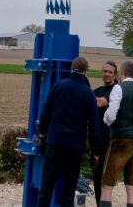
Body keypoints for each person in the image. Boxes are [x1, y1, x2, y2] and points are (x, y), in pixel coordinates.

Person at [36, 56, 100, 207]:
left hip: (54, 142)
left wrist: (42, 136)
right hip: (75, 147)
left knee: (46, 188)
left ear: (72, 69)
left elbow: (45, 113)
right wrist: (95, 151)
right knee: (68, 191)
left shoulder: (59, 86)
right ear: (85, 72)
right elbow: (94, 125)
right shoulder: (88, 93)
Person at [99, 60, 133, 207]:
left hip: (120, 140)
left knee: (107, 185)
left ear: (121, 72)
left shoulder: (118, 88)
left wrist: (105, 121)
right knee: (131, 186)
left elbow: (111, 114)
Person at [92, 61, 118, 204]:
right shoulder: (99, 90)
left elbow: (100, 102)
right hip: (98, 139)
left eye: (110, 72)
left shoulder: (116, 91)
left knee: (104, 177)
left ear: (115, 75)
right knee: (97, 175)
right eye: (105, 71)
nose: (107, 74)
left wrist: (85, 96)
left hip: (110, 140)